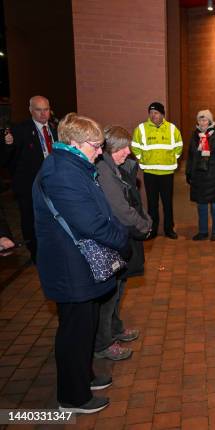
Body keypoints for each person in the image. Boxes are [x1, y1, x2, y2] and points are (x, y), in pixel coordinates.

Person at [32, 113, 129, 414]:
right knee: (74, 331)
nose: (100, 151)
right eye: (95, 145)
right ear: (73, 143)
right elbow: (90, 223)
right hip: (69, 266)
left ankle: (84, 377)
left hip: (79, 264)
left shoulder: (72, 165)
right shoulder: (61, 173)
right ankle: (73, 397)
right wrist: (122, 239)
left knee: (84, 327)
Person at [94, 126, 152, 361]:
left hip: (120, 237)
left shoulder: (114, 167)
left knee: (119, 289)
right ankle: (103, 343)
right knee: (109, 295)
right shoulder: (104, 171)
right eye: (123, 147)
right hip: (113, 238)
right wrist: (144, 225)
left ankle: (115, 329)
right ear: (111, 148)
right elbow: (121, 209)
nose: (128, 151)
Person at [3, 96, 58, 262]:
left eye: (46, 109)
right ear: (31, 110)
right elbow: (7, 159)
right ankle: (36, 254)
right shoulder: (20, 130)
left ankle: (53, 249)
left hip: (52, 184)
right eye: (38, 110)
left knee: (53, 218)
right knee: (30, 219)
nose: (43, 114)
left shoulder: (54, 129)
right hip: (29, 186)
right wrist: (7, 144)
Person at [131, 102, 183, 239]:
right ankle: (152, 229)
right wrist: (143, 159)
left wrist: (172, 159)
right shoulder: (141, 129)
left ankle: (169, 229)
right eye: (151, 113)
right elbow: (135, 146)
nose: (153, 115)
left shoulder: (172, 129)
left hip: (167, 173)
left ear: (162, 114)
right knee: (152, 203)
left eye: (156, 113)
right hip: (150, 173)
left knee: (167, 203)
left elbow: (179, 146)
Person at [186, 110, 215, 241]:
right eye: (200, 120)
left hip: (214, 175)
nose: (203, 123)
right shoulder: (195, 136)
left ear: (210, 121)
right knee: (201, 205)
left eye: (205, 120)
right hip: (199, 176)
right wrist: (188, 172)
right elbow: (191, 156)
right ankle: (203, 231)